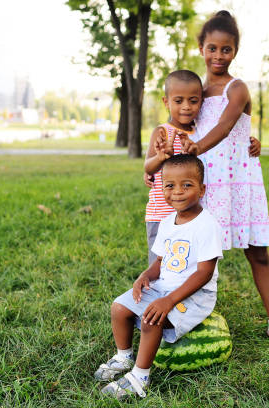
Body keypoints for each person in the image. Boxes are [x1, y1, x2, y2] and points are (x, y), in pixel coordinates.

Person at [190, 10, 269, 350]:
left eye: (225, 49)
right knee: (202, 253)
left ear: (234, 52)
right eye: (212, 48)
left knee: (257, 253)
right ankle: (190, 319)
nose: (218, 56)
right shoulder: (195, 90)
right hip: (207, 182)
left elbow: (227, 125)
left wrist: (202, 145)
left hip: (240, 182)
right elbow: (180, 119)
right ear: (201, 47)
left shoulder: (237, 88)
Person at [96, 154, 223, 400]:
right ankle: (124, 357)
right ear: (161, 188)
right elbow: (161, 262)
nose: (177, 192)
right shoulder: (166, 222)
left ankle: (140, 377)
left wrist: (170, 300)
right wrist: (145, 275)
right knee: (119, 308)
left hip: (195, 296)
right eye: (170, 185)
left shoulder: (207, 225)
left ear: (202, 189)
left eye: (187, 185)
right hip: (164, 287)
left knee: (151, 319)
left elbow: (205, 273)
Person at [144, 70, 201, 265]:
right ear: (166, 102)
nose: (186, 107)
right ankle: (157, 295)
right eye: (178, 101)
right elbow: (148, 167)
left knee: (185, 263)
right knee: (158, 265)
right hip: (161, 214)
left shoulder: (201, 134)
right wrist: (160, 157)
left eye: (193, 101)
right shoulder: (162, 132)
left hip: (190, 214)